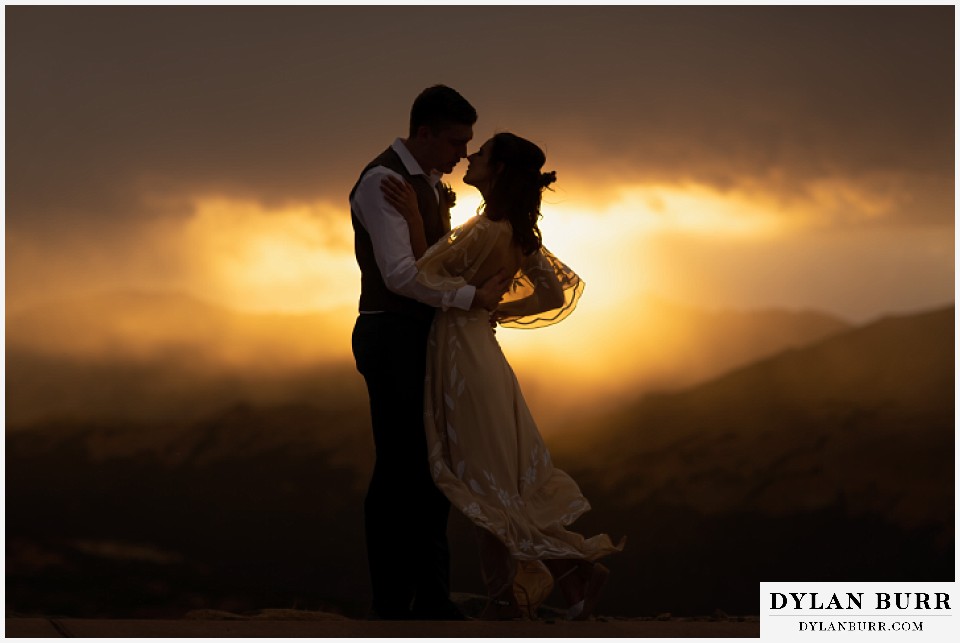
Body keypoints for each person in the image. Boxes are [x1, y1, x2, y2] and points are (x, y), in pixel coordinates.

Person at [381, 132, 624, 620]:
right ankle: (526, 593)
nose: (471, 156)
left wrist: (413, 219)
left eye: (482, 153)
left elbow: (420, 275)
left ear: (500, 171)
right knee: (488, 486)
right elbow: (554, 295)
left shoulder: (487, 227)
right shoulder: (513, 229)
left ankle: (548, 581)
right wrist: (497, 309)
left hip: (464, 361)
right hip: (481, 354)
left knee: (483, 487)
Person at [349, 85, 512, 621]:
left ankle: (432, 599)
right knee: (399, 467)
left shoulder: (430, 185)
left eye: (468, 144)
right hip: (392, 335)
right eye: (454, 141)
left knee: (434, 467)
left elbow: (431, 261)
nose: (463, 154)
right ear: (423, 133)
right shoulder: (383, 182)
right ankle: (393, 604)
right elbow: (399, 276)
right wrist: (470, 298)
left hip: (427, 338)